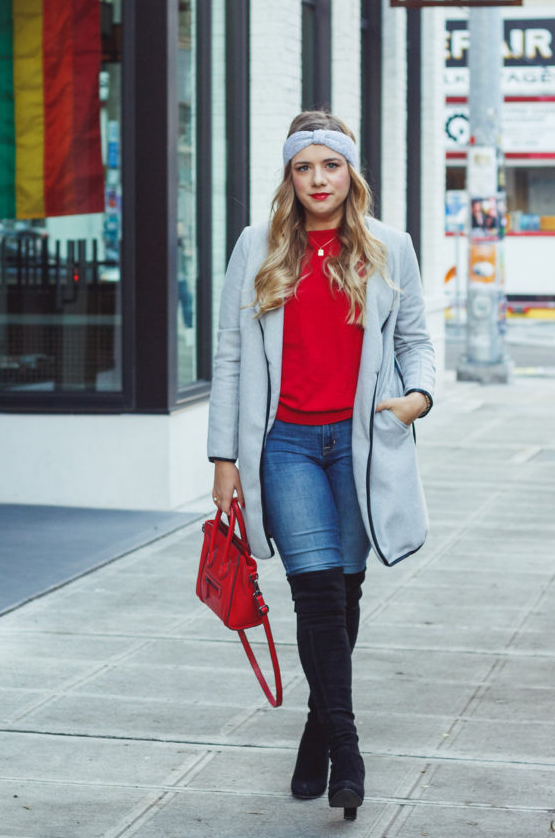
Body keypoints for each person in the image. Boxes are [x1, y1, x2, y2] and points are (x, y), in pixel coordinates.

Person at [207, 110, 435, 821]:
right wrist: (222, 457)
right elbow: (229, 355)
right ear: (289, 176)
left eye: (328, 165)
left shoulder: (388, 247)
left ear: (349, 172)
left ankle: (315, 729)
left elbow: (416, 339)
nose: (316, 180)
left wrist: (416, 399)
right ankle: (348, 744)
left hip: (360, 445)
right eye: (302, 167)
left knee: (346, 590)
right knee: (314, 595)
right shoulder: (258, 246)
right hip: (286, 447)